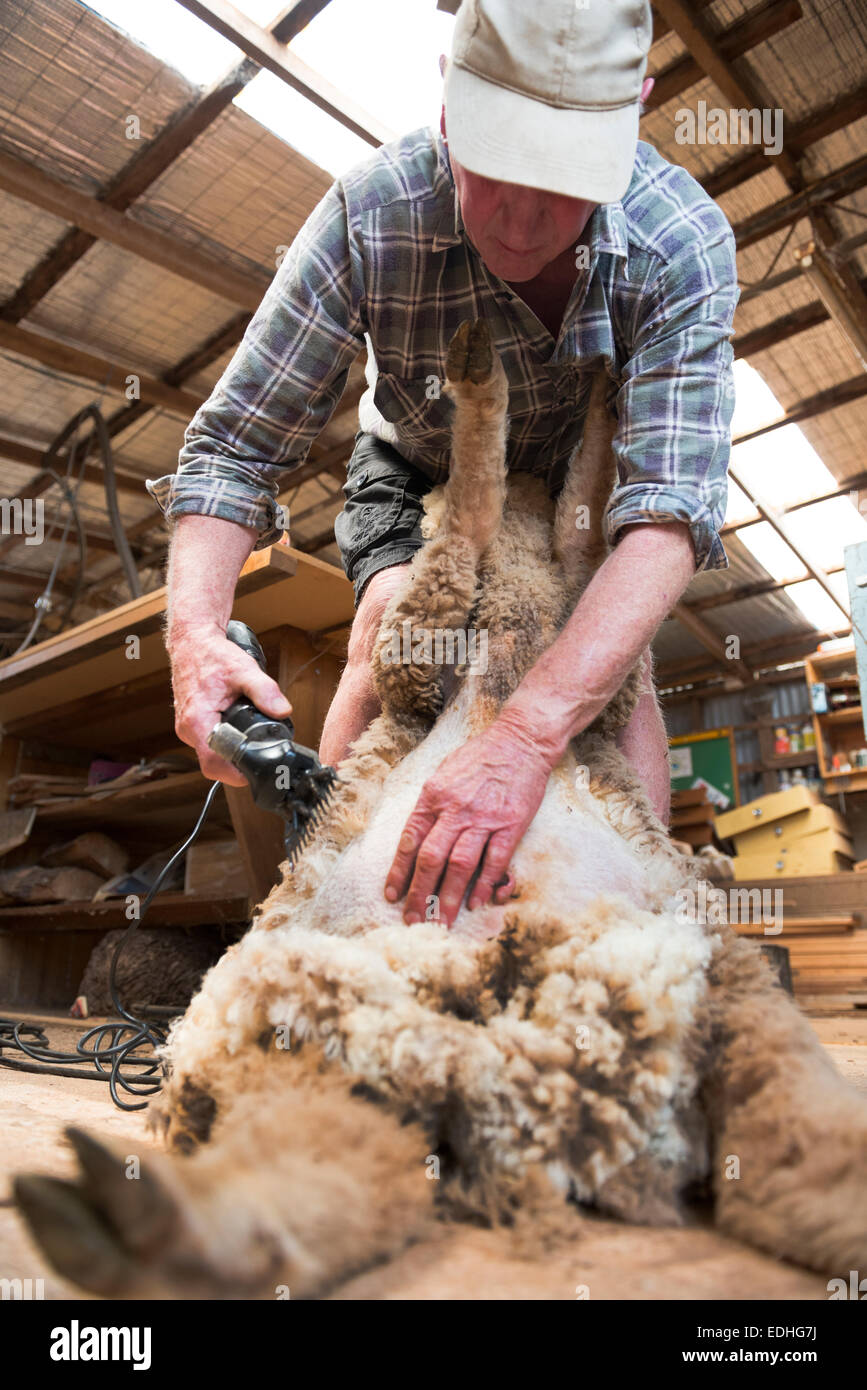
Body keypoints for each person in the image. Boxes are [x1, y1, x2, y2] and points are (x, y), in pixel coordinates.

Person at [150, 0, 738, 928]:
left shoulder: (679, 242)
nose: (520, 221)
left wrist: (521, 740)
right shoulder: (371, 211)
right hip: (419, 458)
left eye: (563, 181)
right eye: (492, 168)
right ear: (450, 100)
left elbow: (668, 513)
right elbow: (234, 446)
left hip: (582, 478)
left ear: (635, 110)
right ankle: (314, 922)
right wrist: (194, 637)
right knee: (390, 622)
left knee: (621, 677)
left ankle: (643, 941)